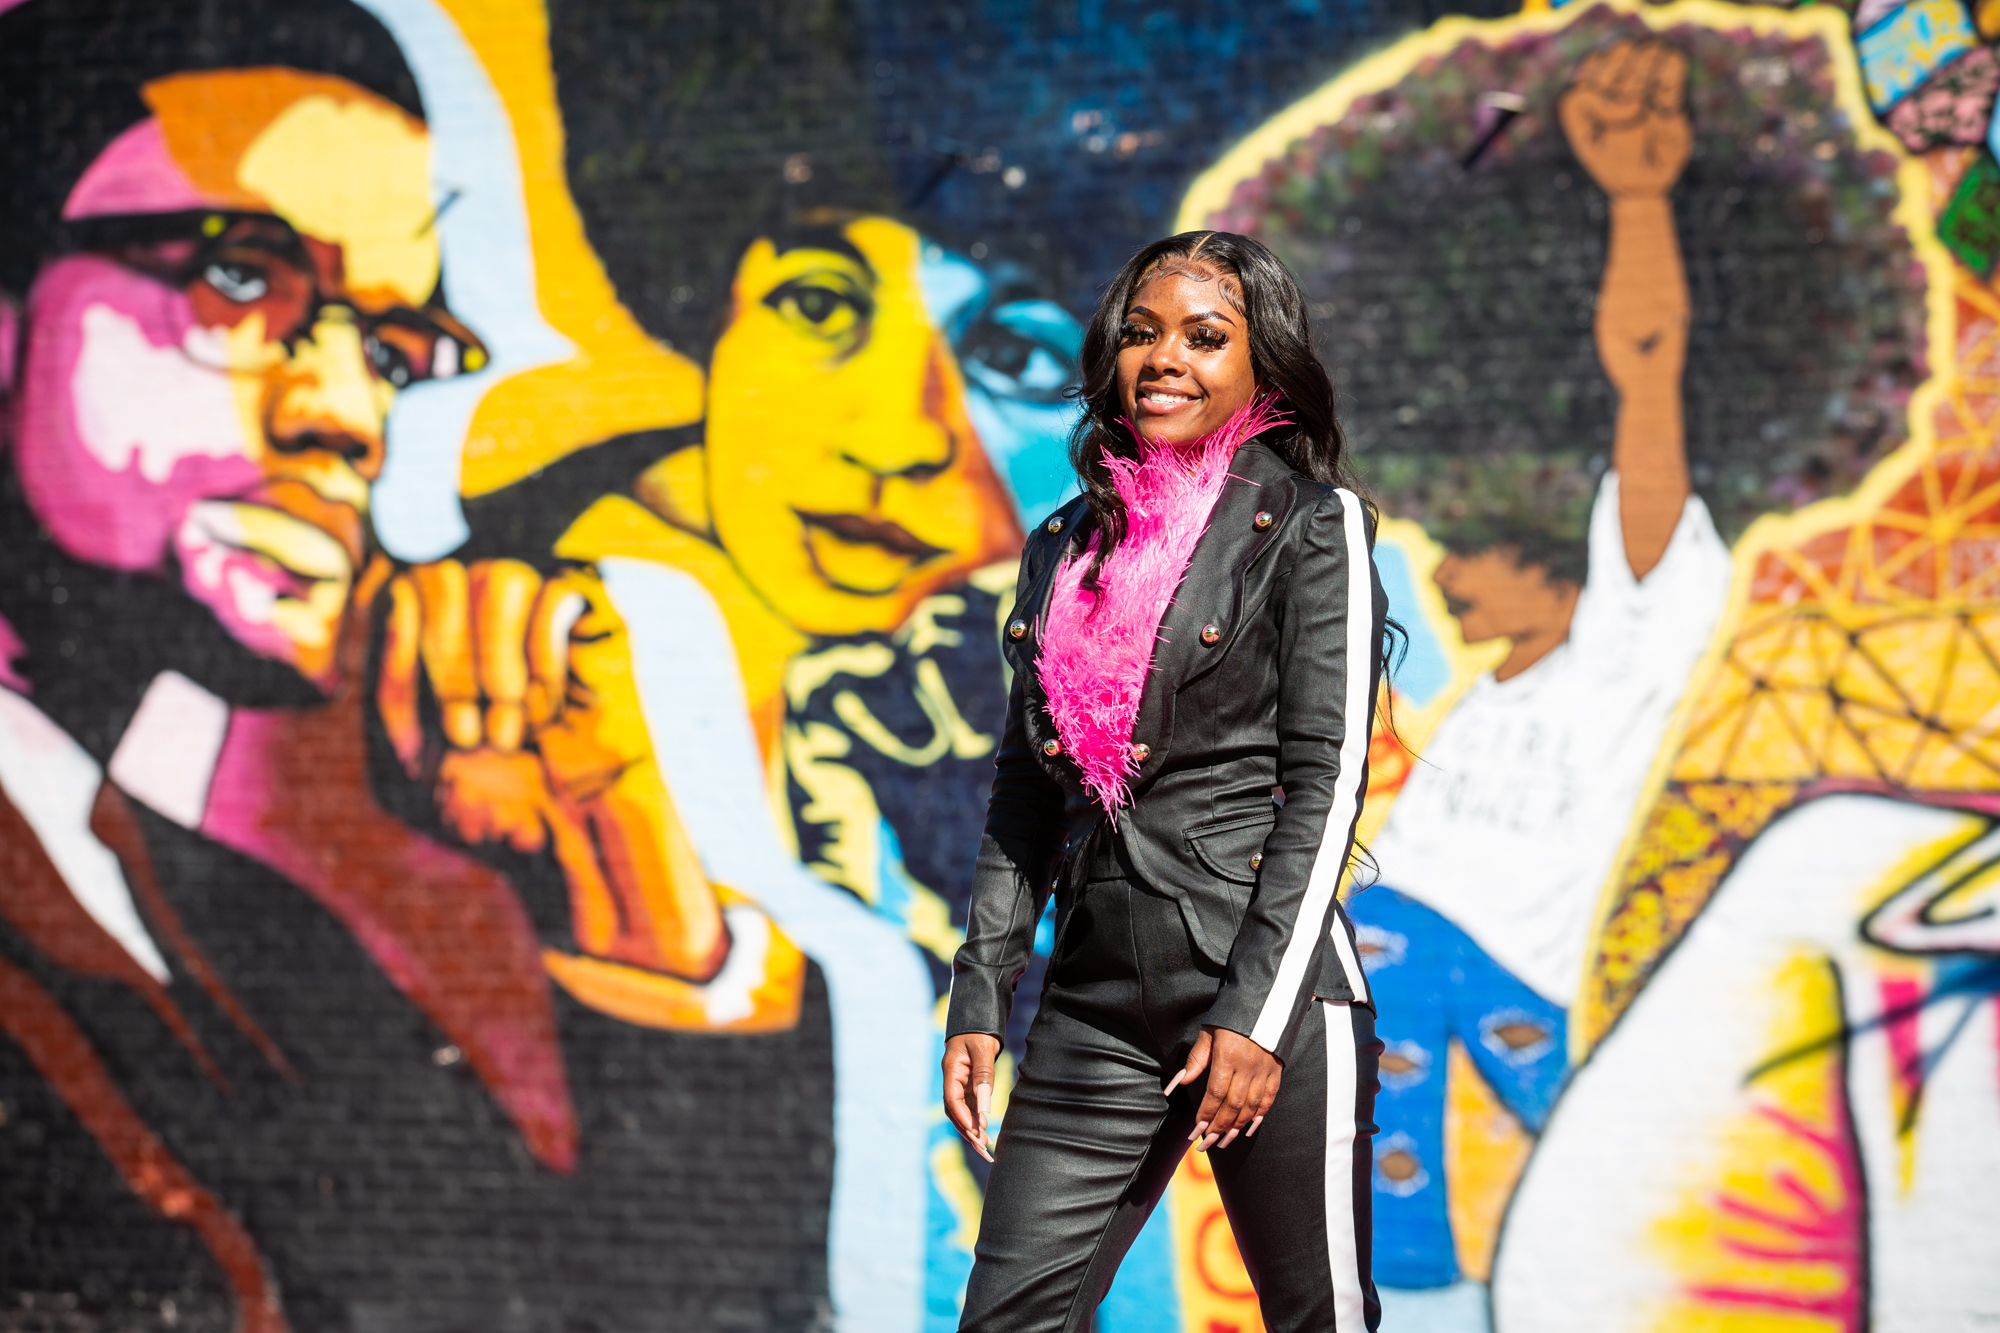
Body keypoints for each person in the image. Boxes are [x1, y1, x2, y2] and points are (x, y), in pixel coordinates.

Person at [940, 230, 1391, 1333]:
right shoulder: (1065, 547)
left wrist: (1250, 1021)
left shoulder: (1309, 528)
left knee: (1316, 1321)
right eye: (1141, 334)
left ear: (1259, 367)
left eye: (1204, 336)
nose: (1164, 359)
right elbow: (1023, 792)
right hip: (1094, 1008)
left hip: (1261, 996)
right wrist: (982, 989)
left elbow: (1324, 784)